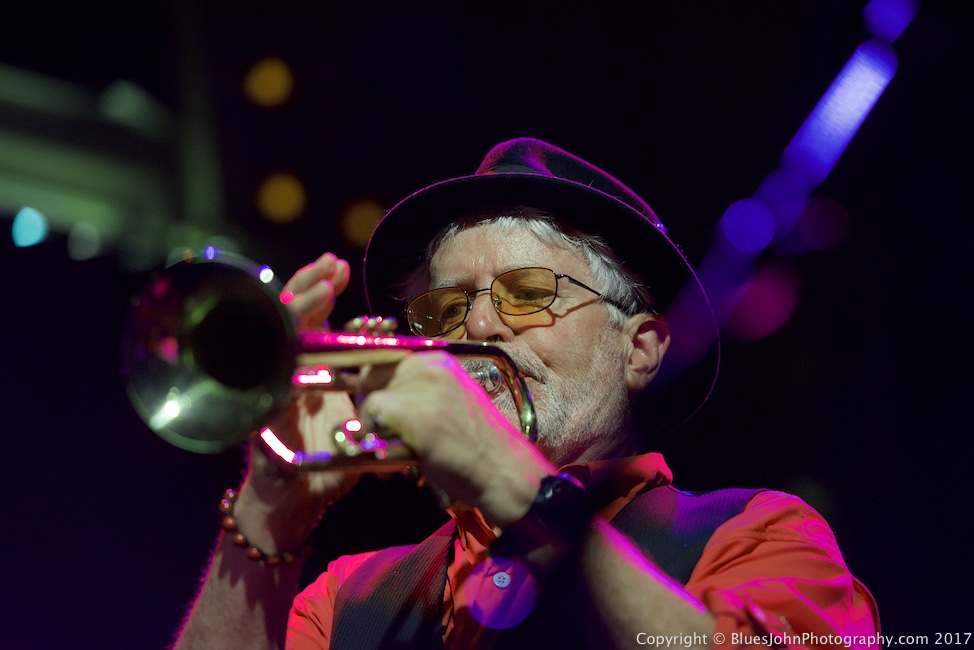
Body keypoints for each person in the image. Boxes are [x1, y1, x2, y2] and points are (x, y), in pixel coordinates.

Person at [172, 138, 879, 649]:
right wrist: (273, 498)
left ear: (640, 349)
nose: (476, 325)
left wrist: (511, 481)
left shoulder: (752, 535)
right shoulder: (348, 598)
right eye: (444, 311)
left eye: (528, 294)